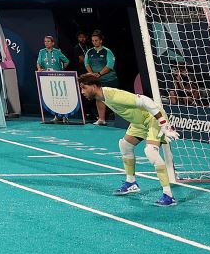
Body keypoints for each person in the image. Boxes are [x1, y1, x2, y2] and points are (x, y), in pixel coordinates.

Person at [76, 74, 179, 206]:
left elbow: (145, 100)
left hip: (152, 119)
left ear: (94, 86)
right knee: (125, 145)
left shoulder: (113, 95)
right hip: (139, 122)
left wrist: (163, 123)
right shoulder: (102, 96)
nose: (82, 92)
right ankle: (131, 182)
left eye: (84, 88)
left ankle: (168, 195)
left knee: (151, 152)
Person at [36, 35, 73, 123]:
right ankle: (56, 116)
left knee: (61, 96)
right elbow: (38, 62)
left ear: (53, 43)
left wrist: (61, 69)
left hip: (58, 76)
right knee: (52, 96)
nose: (46, 43)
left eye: (48, 41)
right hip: (47, 77)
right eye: (45, 41)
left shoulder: (57, 52)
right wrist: (39, 69)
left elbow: (67, 61)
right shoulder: (42, 52)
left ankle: (65, 116)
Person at [84, 31, 116, 125]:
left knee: (112, 99)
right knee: (99, 98)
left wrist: (99, 73)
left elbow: (110, 65)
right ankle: (101, 119)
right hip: (97, 80)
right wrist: (92, 74)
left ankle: (119, 118)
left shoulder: (107, 51)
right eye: (93, 41)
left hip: (110, 80)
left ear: (101, 41)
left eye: (96, 40)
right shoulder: (89, 52)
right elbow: (86, 64)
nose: (94, 42)